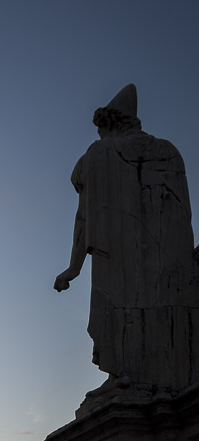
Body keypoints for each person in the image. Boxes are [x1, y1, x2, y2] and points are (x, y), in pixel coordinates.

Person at [54, 83, 199, 391]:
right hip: (169, 267)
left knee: (117, 314)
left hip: (114, 260)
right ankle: (160, 375)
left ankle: (122, 375)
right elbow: (183, 214)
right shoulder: (168, 152)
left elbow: (83, 218)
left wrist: (74, 267)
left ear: (107, 123)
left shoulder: (95, 156)